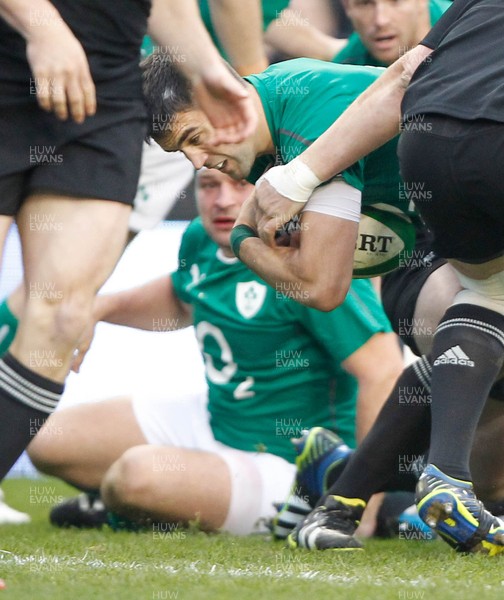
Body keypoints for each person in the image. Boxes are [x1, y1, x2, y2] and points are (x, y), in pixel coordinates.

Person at [242, 0, 504, 554]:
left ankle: (349, 489)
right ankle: (424, 488)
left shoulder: (444, 31)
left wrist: (293, 181)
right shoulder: (335, 82)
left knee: (484, 352)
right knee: (484, 315)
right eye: (362, 4)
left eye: (392, 2)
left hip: (445, 198)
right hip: (424, 262)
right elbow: (323, 284)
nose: (379, 18)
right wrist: (280, 200)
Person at [26, 168, 402, 534]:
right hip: (216, 419)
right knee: (47, 440)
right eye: (208, 185)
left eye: (239, 185)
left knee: (136, 478)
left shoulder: (306, 260)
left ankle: (124, 507)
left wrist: (361, 499)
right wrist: (101, 307)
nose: (222, 201)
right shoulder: (201, 238)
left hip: (288, 462)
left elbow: (383, 369)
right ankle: (134, 505)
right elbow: (183, 295)